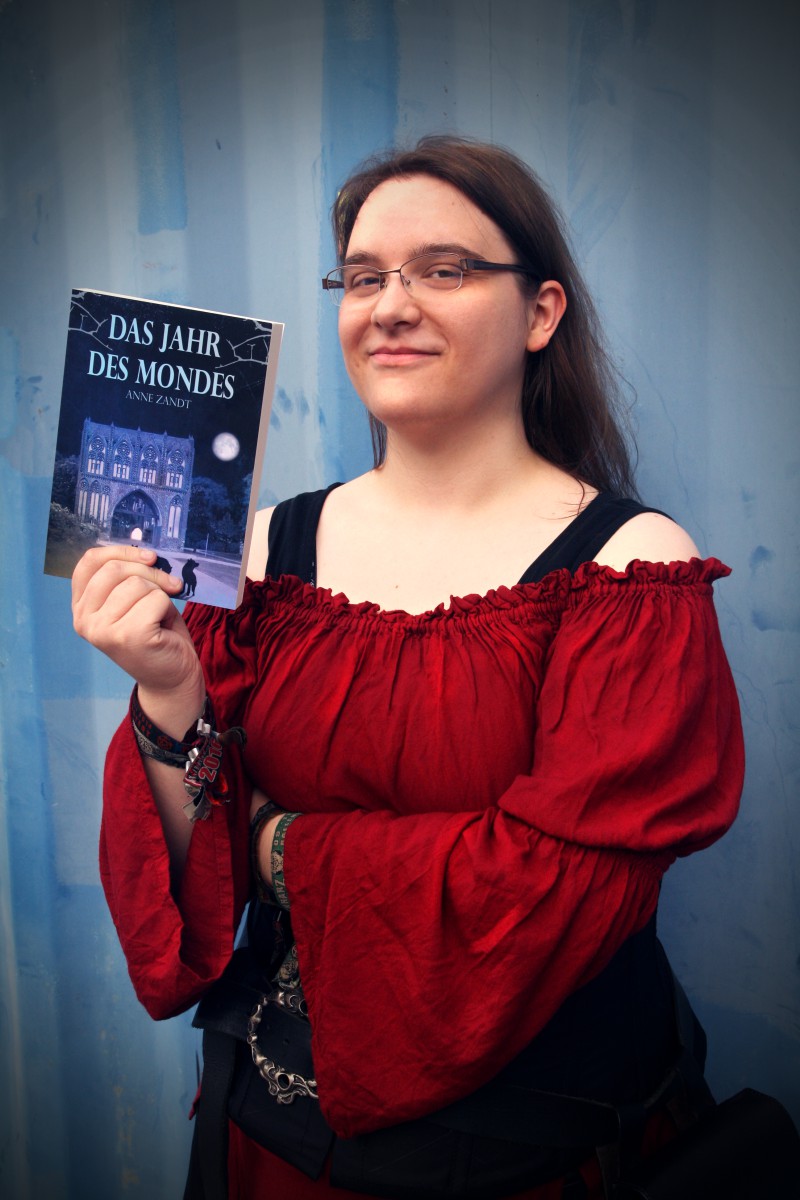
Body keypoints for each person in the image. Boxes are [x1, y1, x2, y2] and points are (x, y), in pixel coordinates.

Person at [72, 135, 744, 1199]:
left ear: (541, 312)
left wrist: (280, 846)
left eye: (443, 270)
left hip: (532, 1158)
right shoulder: (264, 550)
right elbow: (191, 880)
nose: (388, 306)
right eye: (362, 277)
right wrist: (167, 690)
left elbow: (555, 892)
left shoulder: (630, 565)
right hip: (269, 1147)